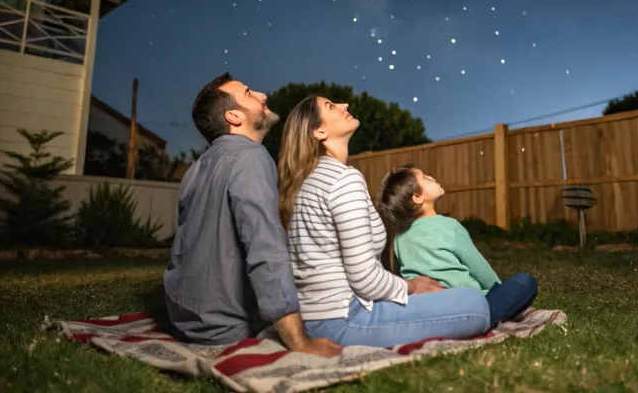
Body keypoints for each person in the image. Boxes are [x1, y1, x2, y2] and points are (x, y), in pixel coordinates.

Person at [278, 96, 491, 348]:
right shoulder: (343, 180)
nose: (345, 105)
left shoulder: (311, 179)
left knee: (453, 298)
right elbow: (364, 278)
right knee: (475, 305)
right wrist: (411, 286)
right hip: (344, 320)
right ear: (319, 131)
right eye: (332, 107)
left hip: (316, 318)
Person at [163, 73, 340, 357]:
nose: (262, 95)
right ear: (234, 116)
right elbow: (265, 247)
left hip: (188, 321)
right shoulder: (251, 157)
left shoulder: (195, 169)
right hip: (228, 326)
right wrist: (300, 342)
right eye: (249, 93)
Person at [378, 164, 538, 330]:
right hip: (469, 306)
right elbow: (479, 267)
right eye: (425, 178)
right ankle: (484, 320)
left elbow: (400, 273)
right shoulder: (449, 226)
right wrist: (498, 290)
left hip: (426, 309)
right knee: (525, 282)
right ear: (417, 197)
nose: (431, 177)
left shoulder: (400, 237)